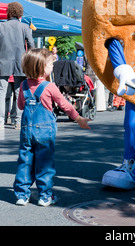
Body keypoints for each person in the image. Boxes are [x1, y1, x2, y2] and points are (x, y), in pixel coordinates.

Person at [13, 48, 90, 207]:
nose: (53, 67)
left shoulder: (23, 86)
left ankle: (22, 195)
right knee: (45, 164)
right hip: (45, 132)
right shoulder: (50, 87)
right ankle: (45, 196)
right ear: (41, 67)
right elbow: (64, 105)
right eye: (50, 64)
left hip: (27, 131)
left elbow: (21, 106)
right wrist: (79, 118)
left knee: (25, 162)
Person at [0, 2, 35, 130]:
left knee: (1, 92)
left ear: (8, 12)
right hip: (20, 63)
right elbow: (31, 44)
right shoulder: (25, 27)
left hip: (3, 62)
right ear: (20, 13)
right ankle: (17, 121)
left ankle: (1, 121)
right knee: (19, 92)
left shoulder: (1, 26)